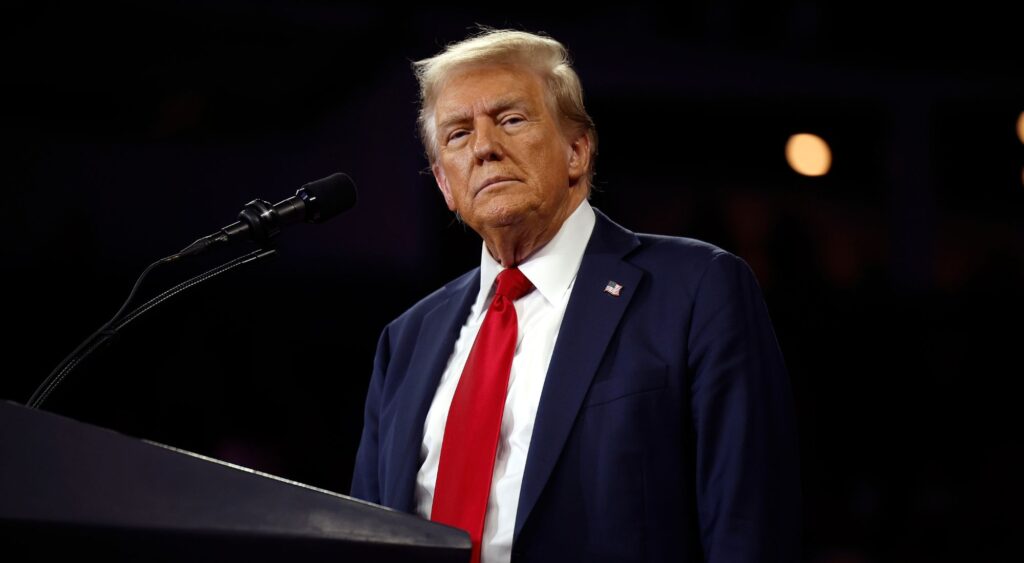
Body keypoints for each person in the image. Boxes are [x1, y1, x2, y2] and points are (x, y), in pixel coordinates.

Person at [351, 29, 800, 563]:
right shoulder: (406, 340)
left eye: (511, 119)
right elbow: (365, 537)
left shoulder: (696, 289)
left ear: (577, 151)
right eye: (457, 134)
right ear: (446, 187)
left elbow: (748, 527)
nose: (484, 147)